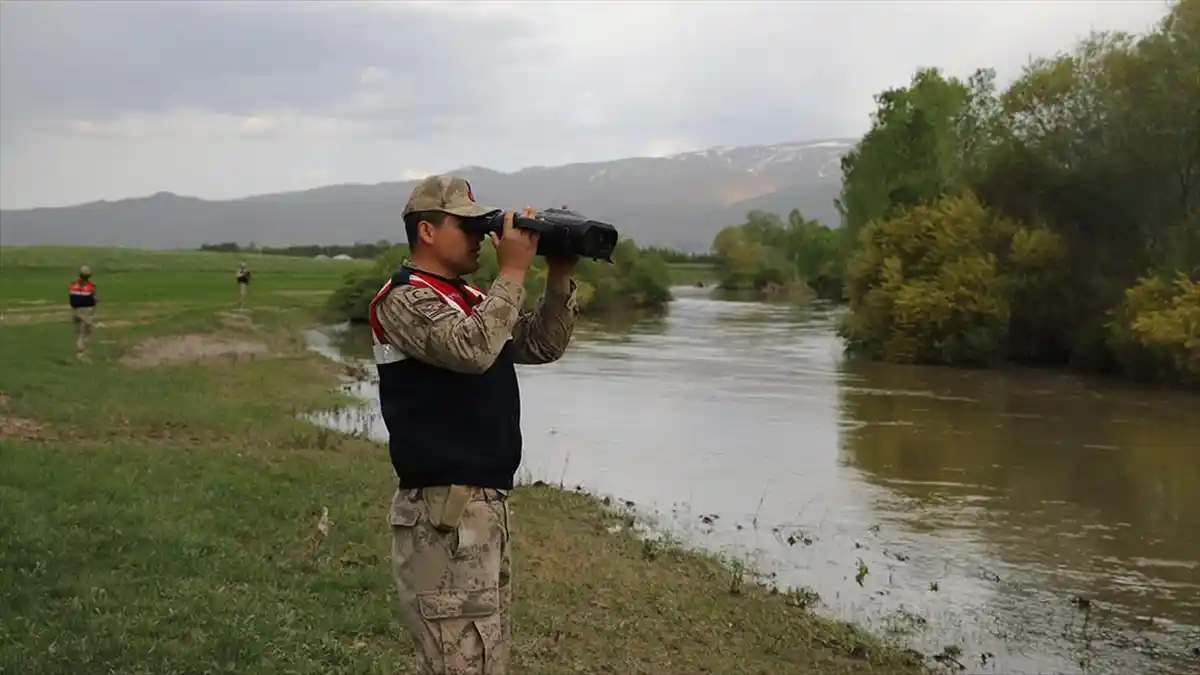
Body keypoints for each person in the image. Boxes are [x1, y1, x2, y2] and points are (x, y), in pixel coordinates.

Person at [368, 174, 579, 674]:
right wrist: (512, 271)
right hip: (444, 512)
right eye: (468, 225)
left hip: (483, 507)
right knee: (460, 661)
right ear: (426, 231)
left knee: (483, 659)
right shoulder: (403, 298)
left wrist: (558, 274)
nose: (482, 237)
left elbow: (541, 345)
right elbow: (473, 348)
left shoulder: (467, 298)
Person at [68, 265, 98, 360]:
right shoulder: (91, 287)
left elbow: (71, 298)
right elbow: (95, 299)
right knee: (85, 332)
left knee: (78, 332)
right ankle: (81, 353)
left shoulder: (72, 286)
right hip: (86, 311)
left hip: (75, 310)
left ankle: (80, 351)